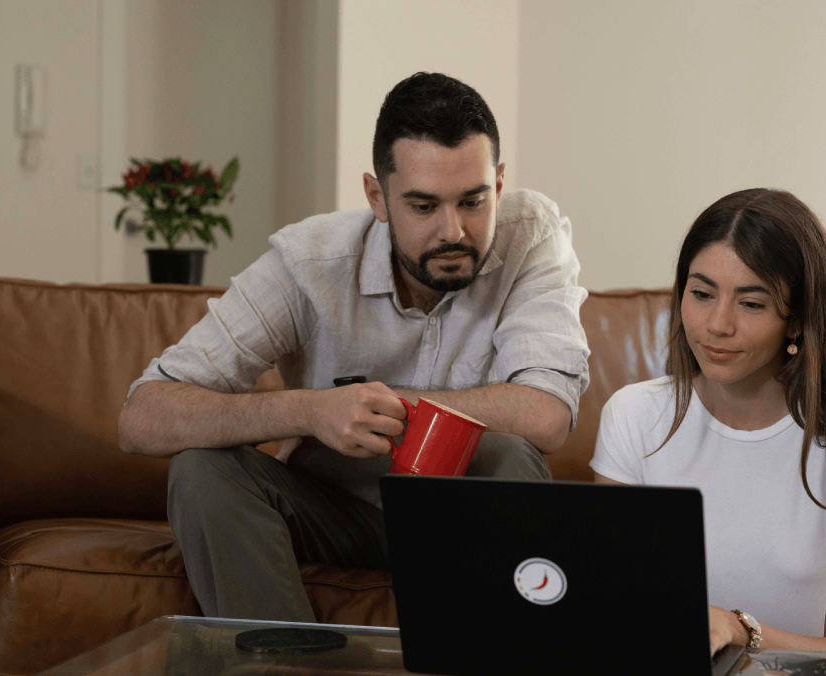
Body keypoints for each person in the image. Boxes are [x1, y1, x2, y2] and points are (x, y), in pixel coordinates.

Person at [118, 72, 590, 622]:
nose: (453, 231)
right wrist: (311, 411)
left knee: (510, 453)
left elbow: (547, 414)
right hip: (332, 510)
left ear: (500, 185)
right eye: (423, 206)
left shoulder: (532, 234)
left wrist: (380, 403)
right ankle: (280, 667)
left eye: (473, 201)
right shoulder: (309, 264)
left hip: (465, 511)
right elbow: (141, 416)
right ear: (377, 197)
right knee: (201, 470)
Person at [590, 188, 826, 655]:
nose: (717, 324)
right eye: (701, 294)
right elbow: (607, 607)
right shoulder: (633, 417)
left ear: (797, 319)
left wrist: (739, 630)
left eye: (750, 303)